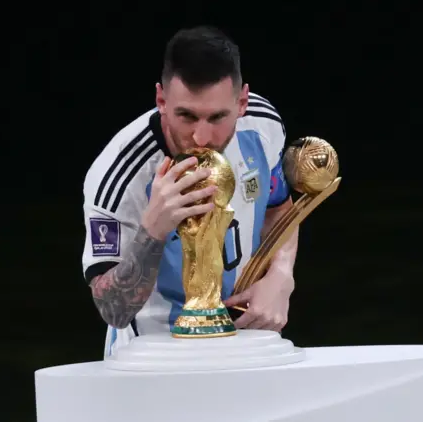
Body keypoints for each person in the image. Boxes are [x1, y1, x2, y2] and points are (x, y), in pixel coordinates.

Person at [82, 26, 299, 357]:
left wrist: (281, 276)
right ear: (161, 101)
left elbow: (279, 209)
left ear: (241, 103)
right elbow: (113, 311)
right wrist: (153, 230)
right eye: (186, 116)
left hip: (248, 339)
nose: (201, 137)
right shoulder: (120, 175)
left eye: (217, 117)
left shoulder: (262, 124)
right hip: (154, 356)